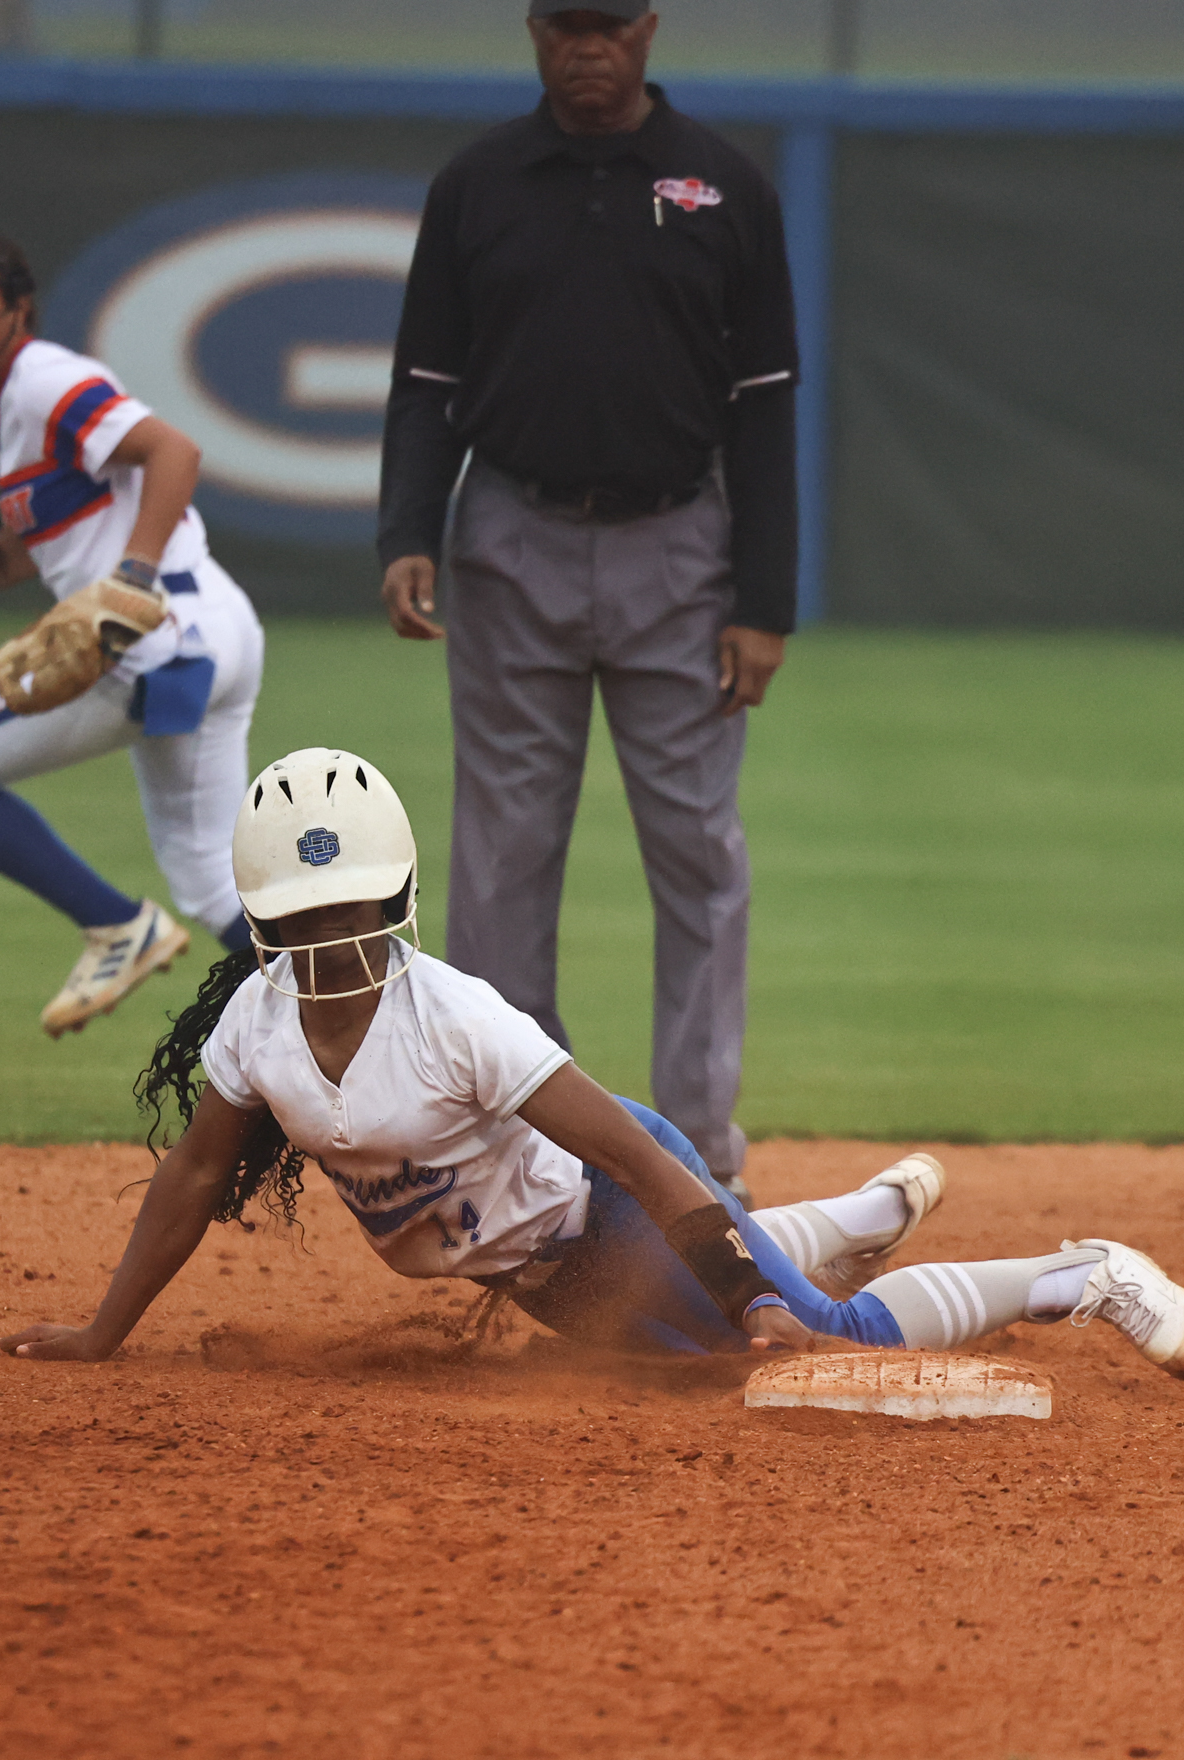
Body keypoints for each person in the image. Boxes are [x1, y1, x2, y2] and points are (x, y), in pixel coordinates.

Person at [0, 747, 1184, 1381]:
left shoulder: (460, 1017)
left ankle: (1079, 1273)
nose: (338, 938)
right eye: (308, 916)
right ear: (260, 917)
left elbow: (631, 1150)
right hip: (544, 1271)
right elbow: (193, 1178)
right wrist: (105, 1331)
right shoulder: (254, 1029)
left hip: (610, 1205)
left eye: (357, 906)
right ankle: (872, 1209)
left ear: (402, 899)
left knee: (804, 1342)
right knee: (679, 1362)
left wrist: (760, 1299)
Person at [377, 2, 800, 1201]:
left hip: (684, 546)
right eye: (568, 24)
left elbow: (766, 402)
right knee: (503, 858)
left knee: (699, 849)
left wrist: (764, 595)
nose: (589, 46)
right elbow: (425, 381)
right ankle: (522, 1162)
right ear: (534, 30)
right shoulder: (480, 183)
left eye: (611, 23)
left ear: (650, 28)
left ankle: (703, 1166)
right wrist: (407, 529)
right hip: (510, 535)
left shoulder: (724, 187)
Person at [0, 232, 267, 1037]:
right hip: (210, 631)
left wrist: (131, 576)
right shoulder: (11, 408)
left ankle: (118, 926)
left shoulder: (43, 378)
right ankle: (375, 1010)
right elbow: (17, 553)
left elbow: (173, 450)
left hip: (153, 636)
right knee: (208, 881)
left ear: (17, 308)